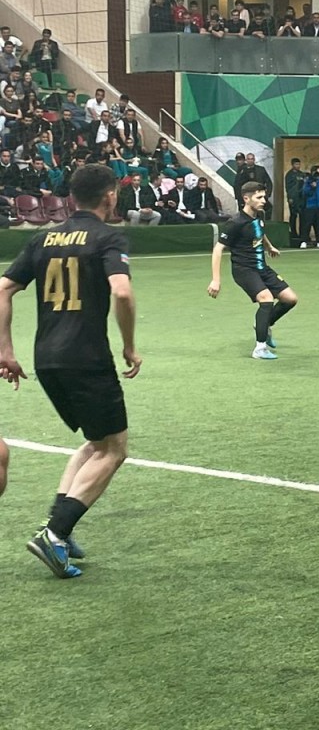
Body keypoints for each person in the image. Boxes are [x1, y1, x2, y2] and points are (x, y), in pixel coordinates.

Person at [0, 163, 141, 578]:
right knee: (114, 449)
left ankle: (56, 523)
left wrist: (5, 350)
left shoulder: (42, 237)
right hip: (87, 358)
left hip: (46, 359)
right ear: (110, 195)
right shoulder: (108, 237)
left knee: (96, 442)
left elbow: (4, 289)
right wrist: (129, 345)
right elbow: (122, 292)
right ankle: (55, 534)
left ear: (71, 197)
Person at [207, 181, 297, 361]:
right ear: (246, 199)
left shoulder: (258, 215)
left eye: (264, 197)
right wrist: (216, 280)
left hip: (262, 267)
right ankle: (260, 348)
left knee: (290, 299)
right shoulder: (235, 222)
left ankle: (263, 324)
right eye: (259, 197)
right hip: (244, 270)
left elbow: (259, 231)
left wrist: (269, 246)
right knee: (266, 299)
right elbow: (218, 249)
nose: (264, 200)